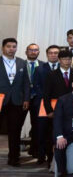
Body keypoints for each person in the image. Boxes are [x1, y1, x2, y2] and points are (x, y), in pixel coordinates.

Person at [0, 37, 30, 167]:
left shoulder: (22, 62)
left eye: (14, 46)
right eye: (8, 46)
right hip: (0, 100)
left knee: (15, 131)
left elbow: (26, 83)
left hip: (17, 101)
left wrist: (26, 99)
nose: (11, 49)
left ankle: (14, 158)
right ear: (3, 48)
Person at [24, 43, 45, 162]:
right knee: (17, 124)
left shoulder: (44, 65)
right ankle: (15, 152)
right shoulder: (20, 64)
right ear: (26, 52)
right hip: (23, 99)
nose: (33, 52)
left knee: (37, 125)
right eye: (31, 50)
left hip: (38, 99)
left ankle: (35, 149)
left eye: (36, 50)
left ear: (39, 52)